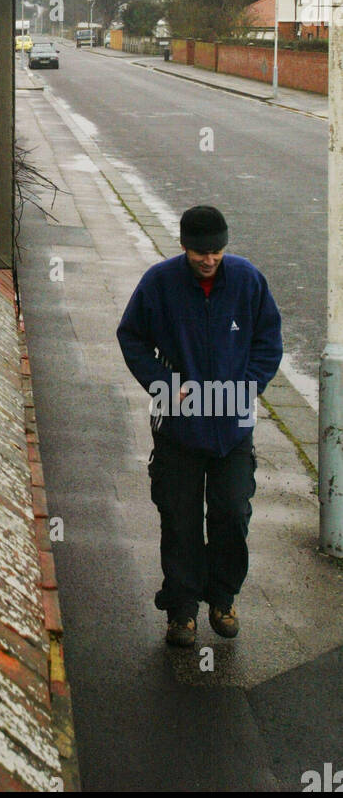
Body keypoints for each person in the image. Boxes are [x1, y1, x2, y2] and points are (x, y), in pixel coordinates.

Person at [116, 206, 283, 648]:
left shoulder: (247, 281)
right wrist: (164, 385)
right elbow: (131, 336)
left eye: (216, 251)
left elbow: (269, 341)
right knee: (180, 520)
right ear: (183, 246)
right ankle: (182, 611)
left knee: (231, 513)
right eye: (199, 252)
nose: (209, 259)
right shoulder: (160, 283)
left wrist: (247, 387)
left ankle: (223, 598)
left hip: (232, 429)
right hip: (178, 430)